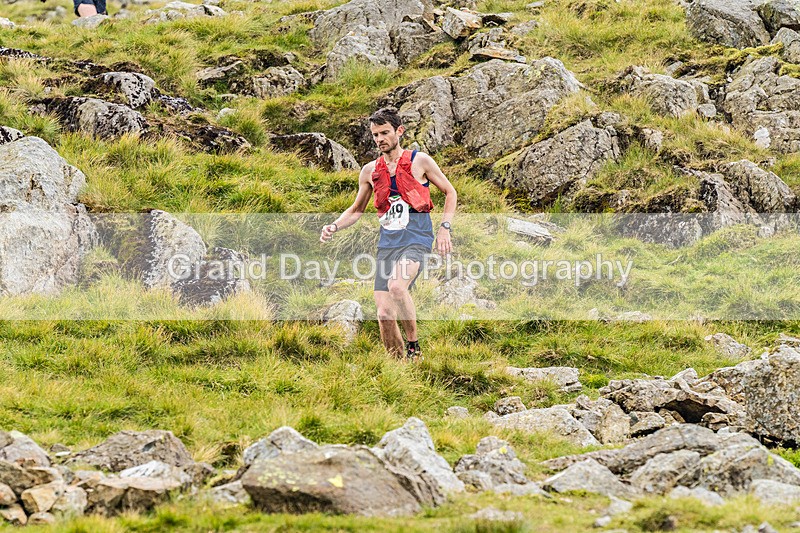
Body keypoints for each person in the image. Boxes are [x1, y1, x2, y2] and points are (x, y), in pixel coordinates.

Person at [320, 107, 457, 361]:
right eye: (375, 135)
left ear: (399, 132)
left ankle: (414, 346)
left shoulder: (420, 161)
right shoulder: (369, 171)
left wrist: (444, 229)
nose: (380, 139)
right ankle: (399, 367)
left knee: (396, 286)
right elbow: (356, 209)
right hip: (388, 244)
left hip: (416, 239)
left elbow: (451, 192)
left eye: (385, 133)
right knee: (384, 314)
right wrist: (334, 226)